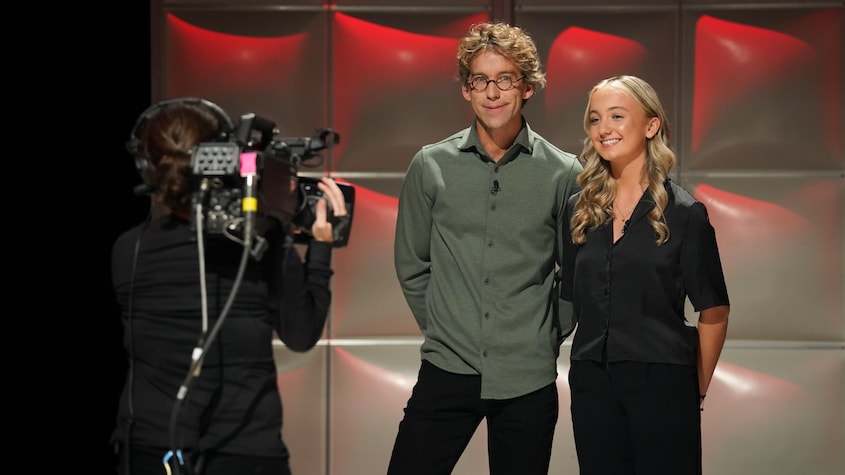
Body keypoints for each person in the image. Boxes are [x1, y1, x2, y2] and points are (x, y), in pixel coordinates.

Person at [110, 97, 348, 475]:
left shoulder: (128, 249)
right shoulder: (264, 245)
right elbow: (302, 334)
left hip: (148, 453)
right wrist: (320, 246)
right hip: (246, 453)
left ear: (147, 165)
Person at [388, 22, 583, 475]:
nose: (492, 92)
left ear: (527, 87)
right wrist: (445, 327)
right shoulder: (430, 165)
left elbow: (573, 275)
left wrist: (546, 336)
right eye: (480, 80)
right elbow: (412, 265)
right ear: (466, 90)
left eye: (505, 79)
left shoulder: (563, 173)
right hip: (447, 368)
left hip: (528, 377)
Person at [561, 75, 730, 474]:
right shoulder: (578, 211)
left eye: (617, 116)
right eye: (595, 118)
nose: (604, 129)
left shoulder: (686, 214)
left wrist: (696, 389)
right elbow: (570, 298)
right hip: (591, 381)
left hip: (664, 381)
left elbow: (715, 310)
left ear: (651, 126)